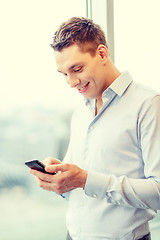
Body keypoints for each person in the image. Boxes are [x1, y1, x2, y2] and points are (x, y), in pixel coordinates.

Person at [30, 17, 160, 240]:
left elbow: (158, 192)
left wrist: (84, 179)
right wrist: (58, 176)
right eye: (64, 74)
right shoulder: (81, 110)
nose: (71, 83)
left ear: (101, 54)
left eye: (77, 69)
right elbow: (78, 180)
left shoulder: (148, 104)